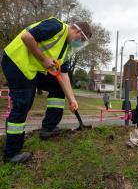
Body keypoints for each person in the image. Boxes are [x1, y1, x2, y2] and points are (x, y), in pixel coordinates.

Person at [1, 17, 92, 163]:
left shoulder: (66, 49)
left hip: (33, 69)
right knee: (22, 104)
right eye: (80, 39)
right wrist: (44, 60)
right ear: (78, 30)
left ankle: (48, 128)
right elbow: (27, 37)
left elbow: (63, 75)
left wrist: (72, 99)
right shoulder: (56, 27)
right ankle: (11, 153)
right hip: (16, 62)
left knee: (58, 88)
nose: (79, 44)